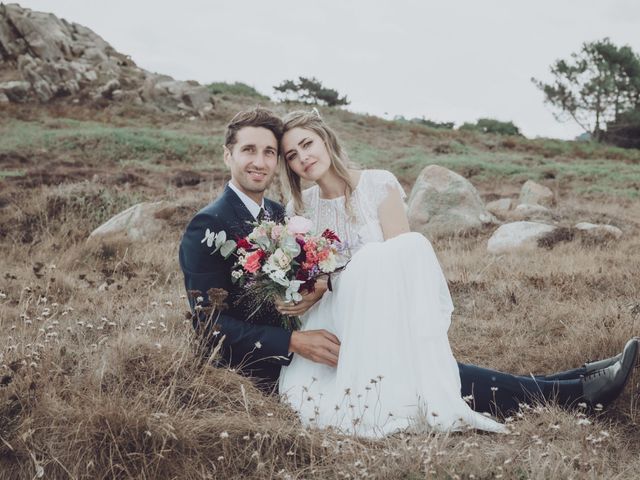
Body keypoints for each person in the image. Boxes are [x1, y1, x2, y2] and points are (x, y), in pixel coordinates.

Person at [178, 107, 637, 436]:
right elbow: (207, 325)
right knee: (418, 372)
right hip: (279, 359)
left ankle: (575, 383)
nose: (261, 161)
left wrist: (314, 293)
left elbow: (312, 271)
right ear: (227, 155)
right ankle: (576, 391)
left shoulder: (279, 213)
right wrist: (294, 340)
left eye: (269, 152)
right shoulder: (210, 225)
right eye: (249, 151)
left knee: (422, 368)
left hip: (326, 326)